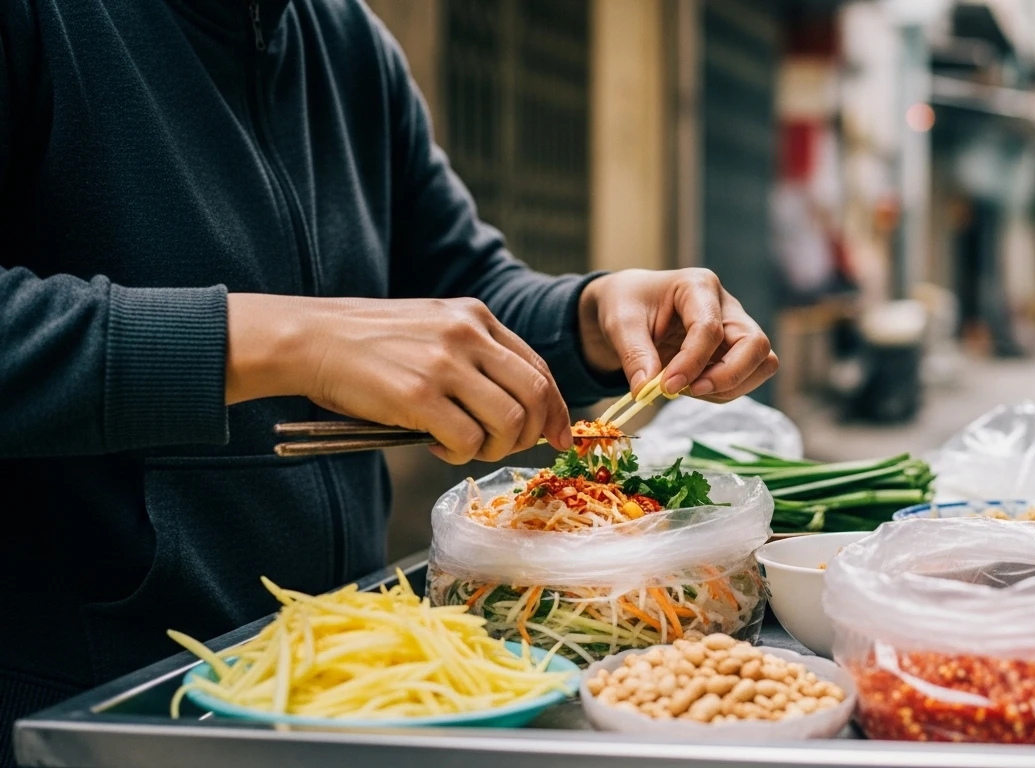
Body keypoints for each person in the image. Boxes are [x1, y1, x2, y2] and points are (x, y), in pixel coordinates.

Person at [0, 0, 776, 760]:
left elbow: (461, 284)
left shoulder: (342, 36)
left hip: (351, 683)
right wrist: (292, 340)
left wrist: (592, 314)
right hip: (100, 700)